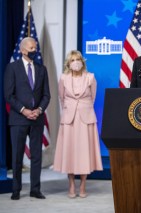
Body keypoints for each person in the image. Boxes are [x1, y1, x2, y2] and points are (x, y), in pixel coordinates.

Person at [3, 37, 51, 200]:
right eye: (31, 48)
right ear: (23, 50)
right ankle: (16, 189)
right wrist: (24, 110)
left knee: (37, 155)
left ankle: (35, 189)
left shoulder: (42, 69)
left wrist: (38, 110)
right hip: (18, 119)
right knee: (17, 156)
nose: (34, 50)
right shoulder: (12, 68)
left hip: (37, 119)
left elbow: (46, 95)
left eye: (35, 47)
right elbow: (8, 95)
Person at [53, 50, 103, 198]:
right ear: (68, 63)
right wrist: (70, 110)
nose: (76, 62)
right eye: (73, 60)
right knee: (70, 153)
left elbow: (92, 98)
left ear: (82, 61)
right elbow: (61, 98)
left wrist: (83, 108)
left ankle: (82, 186)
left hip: (86, 119)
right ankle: (71, 186)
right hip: (69, 120)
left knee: (84, 153)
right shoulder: (63, 78)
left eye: (78, 59)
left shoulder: (90, 78)